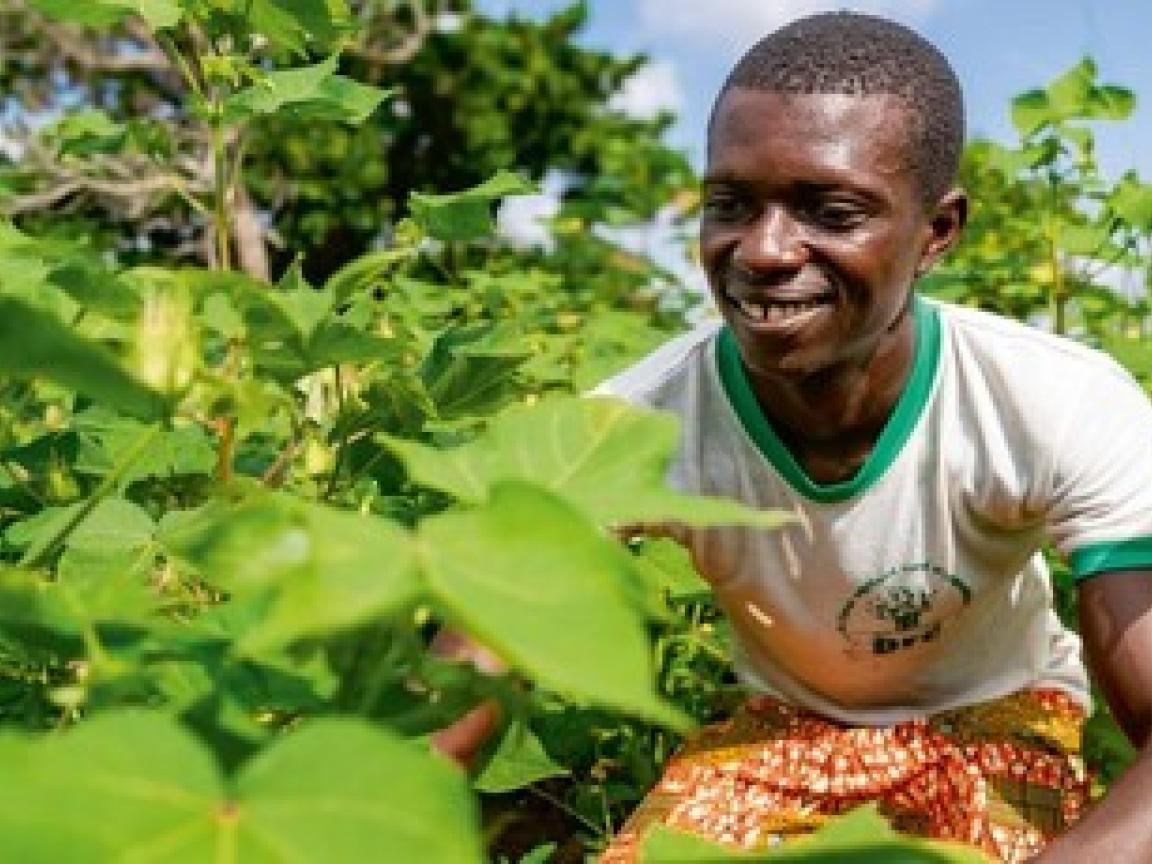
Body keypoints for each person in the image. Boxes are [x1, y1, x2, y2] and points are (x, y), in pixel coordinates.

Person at [584, 11, 1152, 864]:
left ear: (937, 232)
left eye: (832, 210)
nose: (765, 251)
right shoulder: (636, 425)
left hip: (995, 724)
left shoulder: (1053, 402)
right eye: (730, 204)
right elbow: (466, 669)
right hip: (777, 739)